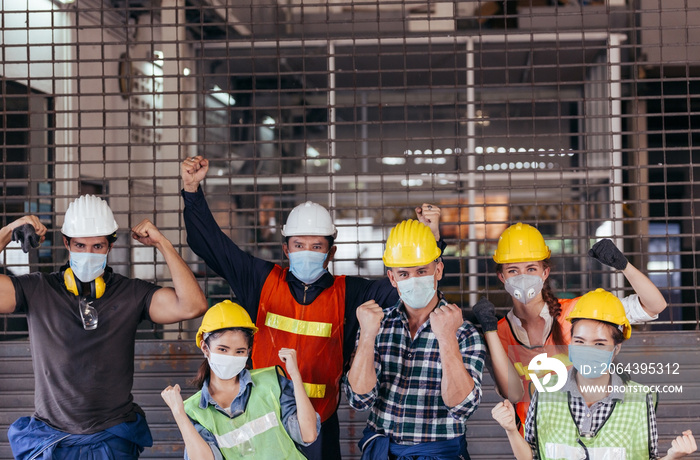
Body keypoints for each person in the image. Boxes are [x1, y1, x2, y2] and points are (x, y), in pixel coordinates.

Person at [180, 155, 444, 459]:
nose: (307, 252)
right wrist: (192, 190)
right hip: (263, 425)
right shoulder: (261, 280)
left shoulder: (352, 293)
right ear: (286, 249)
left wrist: (431, 239)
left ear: (330, 252)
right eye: (298, 245)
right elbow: (212, 246)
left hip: (319, 425)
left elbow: (408, 285)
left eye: (316, 246)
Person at [1, 194, 208, 459]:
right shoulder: (37, 290)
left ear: (110, 247)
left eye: (97, 246)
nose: (88, 254)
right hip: (52, 441)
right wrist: (9, 231)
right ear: (66, 243)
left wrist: (163, 243)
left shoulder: (131, 293)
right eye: (80, 245)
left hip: (112, 441)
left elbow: (192, 305)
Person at [471, 222, 668, 428]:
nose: (523, 278)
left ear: (545, 273)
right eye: (513, 270)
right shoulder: (498, 332)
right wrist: (489, 331)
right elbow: (513, 393)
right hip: (535, 444)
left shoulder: (580, 312)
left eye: (531, 268)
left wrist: (624, 266)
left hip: (588, 436)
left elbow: (654, 305)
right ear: (502, 277)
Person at [491, 288, 697, 460]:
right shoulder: (544, 390)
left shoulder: (640, 398)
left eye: (599, 344)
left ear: (616, 348)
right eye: (580, 342)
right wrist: (510, 429)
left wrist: (672, 456)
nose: (587, 350)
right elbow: (532, 456)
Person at [343, 219, 484, 460]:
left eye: (421, 271)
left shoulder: (463, 331)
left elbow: (463, 407)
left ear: (438, 270)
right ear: (392, 278)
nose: (413, 279)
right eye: (404, 274)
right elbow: (359, 400)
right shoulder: (376, 325)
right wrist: (367, 335)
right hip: (384, 452)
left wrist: (446, 338)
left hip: (439, 454)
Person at [161, 300, 320, 459]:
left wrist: (295, 376)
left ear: (248, 352)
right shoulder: (195, 411)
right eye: (222, 349)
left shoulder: (272, 383)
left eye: (239, 351)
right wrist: (179, 413)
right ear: (205, 347)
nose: (231, 357)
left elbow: (308, 434)